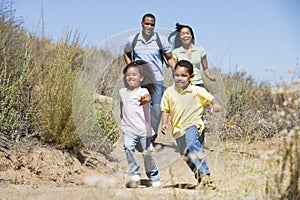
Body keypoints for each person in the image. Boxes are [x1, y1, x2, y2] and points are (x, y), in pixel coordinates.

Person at [160, 60, 222, 186]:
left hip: (193, 124)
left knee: (191, 142)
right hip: (178, 129)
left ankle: (205, 173)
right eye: (177, 75)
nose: (179, 78)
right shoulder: (169, 92)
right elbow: (165, 109)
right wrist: (165, 124)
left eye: (183, 75)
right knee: (186, 154)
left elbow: (211, 98)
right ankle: (200, 176)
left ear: (191, 77)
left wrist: (216, 104)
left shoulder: (196, 90)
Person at [124, 13, 176, 144]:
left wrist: (178, 71)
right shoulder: (133, 39)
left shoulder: (160, 40)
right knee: (139, 108)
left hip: (157, 80)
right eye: (147, 23)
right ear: (142, 24)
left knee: (157, 110)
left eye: (152, 24)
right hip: (140, 81)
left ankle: (151, 136)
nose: (149, 26)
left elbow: (169, 58)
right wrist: (131, 67)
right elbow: (126, 53)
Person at [169, 22, 217, 145]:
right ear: (179, 37)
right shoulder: (176, 52)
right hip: (184, 86)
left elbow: (205, 68)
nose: (185, 35)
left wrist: (210, 76)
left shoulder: (200, 51)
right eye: (182, 34)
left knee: (198, 115)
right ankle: (182, 141)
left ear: (192, 36)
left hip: (198, 84)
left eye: (187, 33)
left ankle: (199, 143)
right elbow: (175, 70)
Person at [119, 60, 160, 188]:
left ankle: (154, 177)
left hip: (144, 129)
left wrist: (145, 100)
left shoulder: (143, 91)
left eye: (134, 74)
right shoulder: (122, 92)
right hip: (129, 129)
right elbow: (122, 107)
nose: (130, 77)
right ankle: (135, 172)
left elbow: (147, 98)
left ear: (141, 78)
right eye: (128, 75)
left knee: (148, 153)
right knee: (128, 147)